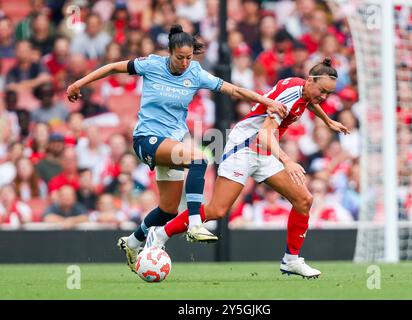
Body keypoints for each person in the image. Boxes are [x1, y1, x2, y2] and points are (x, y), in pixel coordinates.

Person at [66, 24, 287, 273]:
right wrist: (78, 84)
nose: (184, 63)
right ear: (170, 52)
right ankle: (194, 223)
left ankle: (131, 242)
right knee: (199, 158)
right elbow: (112, 67)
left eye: (189, 58)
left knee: (168, 209)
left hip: (171, 143)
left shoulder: (196, 73)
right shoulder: (151, 64)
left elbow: (233, 89)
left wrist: (267, 100)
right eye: (180, 57)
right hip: (146, 139)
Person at [146, 58, 350, 278]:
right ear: (310, 80)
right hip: (244, 148)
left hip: (264, 150)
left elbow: (309, 102)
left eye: (328, 93)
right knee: (217, 210)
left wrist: (328, 121)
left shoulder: (302, 88)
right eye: (322, 91)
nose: (324, 97)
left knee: (303, 200)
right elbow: (264, 134)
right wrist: (287, 161)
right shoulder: (289, 97)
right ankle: (159, 234)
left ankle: (291, 260)